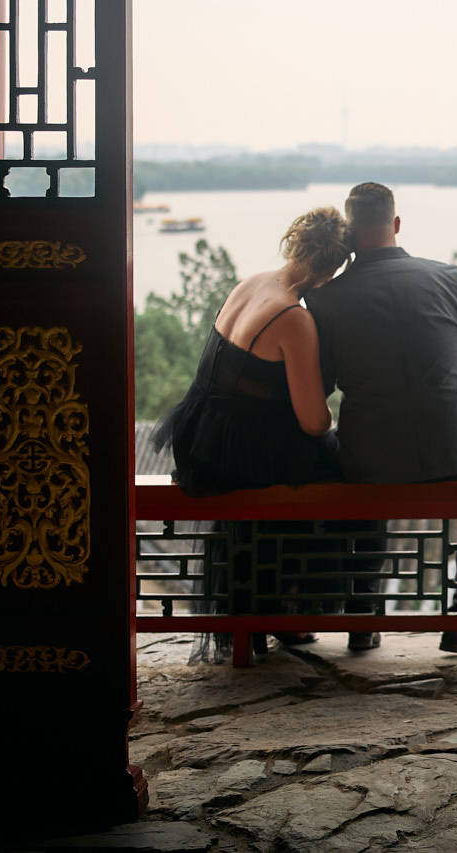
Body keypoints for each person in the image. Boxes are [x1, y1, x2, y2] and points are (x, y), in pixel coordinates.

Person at [306, 182, 457, 652]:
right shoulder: (449, 278)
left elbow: (320, 388)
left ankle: (362, 620)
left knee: (353, 476)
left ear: (349, 234)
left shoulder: (325, 300)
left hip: (371, 462)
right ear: (396, 224)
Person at [154, 207, 350, 654]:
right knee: (338, 469)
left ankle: (270, 608)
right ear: (332, 269)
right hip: (240, 450)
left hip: (201, 435)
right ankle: (299, 612)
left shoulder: (251, 283)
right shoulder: (294, 318)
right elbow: (312, 420)